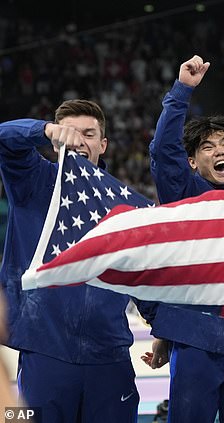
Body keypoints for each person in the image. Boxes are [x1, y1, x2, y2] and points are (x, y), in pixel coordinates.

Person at [142, 55, 224, 423]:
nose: (220, 151)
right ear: (192, 162)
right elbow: (163, 150)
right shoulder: (182, 192)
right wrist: (182, 90)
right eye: (208, 147)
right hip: (193, 338)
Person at [0, 100, 140, 421]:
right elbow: (3, 137)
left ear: (102, 145)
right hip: (46, 352)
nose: (78, 140)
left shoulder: (124, 203)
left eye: (88, 134)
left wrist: (164, 329)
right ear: (54, 140)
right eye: (68, 132)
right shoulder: (32, 181)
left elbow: (141, 273)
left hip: (110, 355)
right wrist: (43, 129)